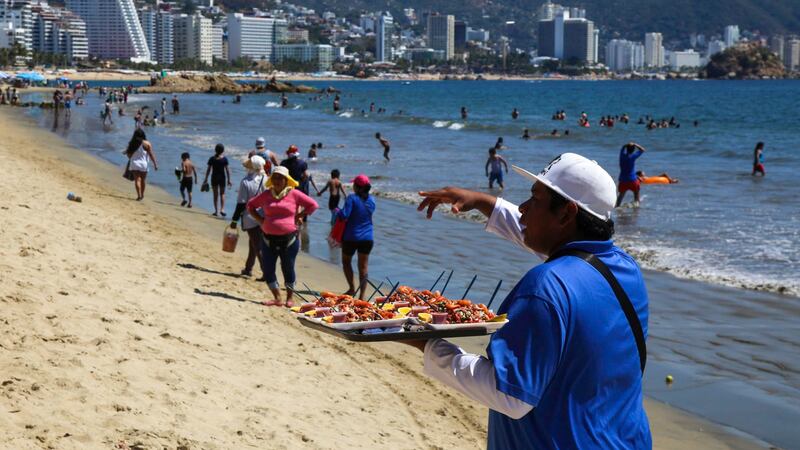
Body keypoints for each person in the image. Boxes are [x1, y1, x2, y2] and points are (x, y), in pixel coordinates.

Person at [412, 153, 651, 449]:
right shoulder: (625, 270)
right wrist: (483, 202)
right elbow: (562, 253)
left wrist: (425, 342)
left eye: (534, 200)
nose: (523, 208)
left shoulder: (544, 287)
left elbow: (512, 396)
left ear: (566, 214)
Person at [246, 166, 318, 307]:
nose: (278, 180)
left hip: (289, 239)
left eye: (281, 178)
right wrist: (260, 220)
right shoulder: (266, 194)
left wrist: (299, 215)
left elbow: (313, 205)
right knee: (267, 269)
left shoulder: (294, 194)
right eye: (275, 177)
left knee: (288, 268)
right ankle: (277, 297)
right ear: (271, 180)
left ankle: (289, 298)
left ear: (287, 180)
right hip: (267, 238)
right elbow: (250, 205)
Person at [337, 174, 375, 299]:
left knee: (346, 261)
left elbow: (344, 215)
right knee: (363, 268)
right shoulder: (372, 200)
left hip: (351, 237)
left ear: (357, 187)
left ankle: (352, 289)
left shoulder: (351, 198)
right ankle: (362, 296)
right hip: (368, 237)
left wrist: (338, 211)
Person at [231, 155, 269, 278]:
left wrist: (234, 220)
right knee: (254, 243)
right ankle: (248, 268)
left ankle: (267, 273)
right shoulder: (266, 179)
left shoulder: (246, 182)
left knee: (257, 246)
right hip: (264, 217)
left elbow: (241, 203)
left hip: (250, 217)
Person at [125, 129, 158, 201]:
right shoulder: (147, 143)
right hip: (144, 164)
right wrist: (155, 164)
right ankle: (142, 195)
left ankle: (139, 195)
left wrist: (133, 159)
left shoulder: (131, 143)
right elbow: (151, 154)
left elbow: (128, 154)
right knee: (143, 180)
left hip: (134, 163)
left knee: (137, 180)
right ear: (143, 134)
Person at [203, 143, 232, 216]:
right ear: (223, 150)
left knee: (215, 195)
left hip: (214, 178)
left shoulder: (212, 159)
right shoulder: (225, 159)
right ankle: (222, 209)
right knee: (222, 194)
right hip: (222, 178)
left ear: (215, 150)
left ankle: (216, 211)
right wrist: (229, 180)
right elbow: (227, 170)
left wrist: (206, 178)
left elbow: (208, 170)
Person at [616, 142, 646, 207]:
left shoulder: (622, 156)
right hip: (632, 180)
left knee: (620, 197)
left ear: (626, 149)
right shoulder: (633, 156)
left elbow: (622, 148)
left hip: (623, 180)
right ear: (633, 150)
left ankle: (617, 208)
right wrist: (635, 144)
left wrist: (626, 145)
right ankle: (636, 209)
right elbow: (642, 150)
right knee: (636, 194)